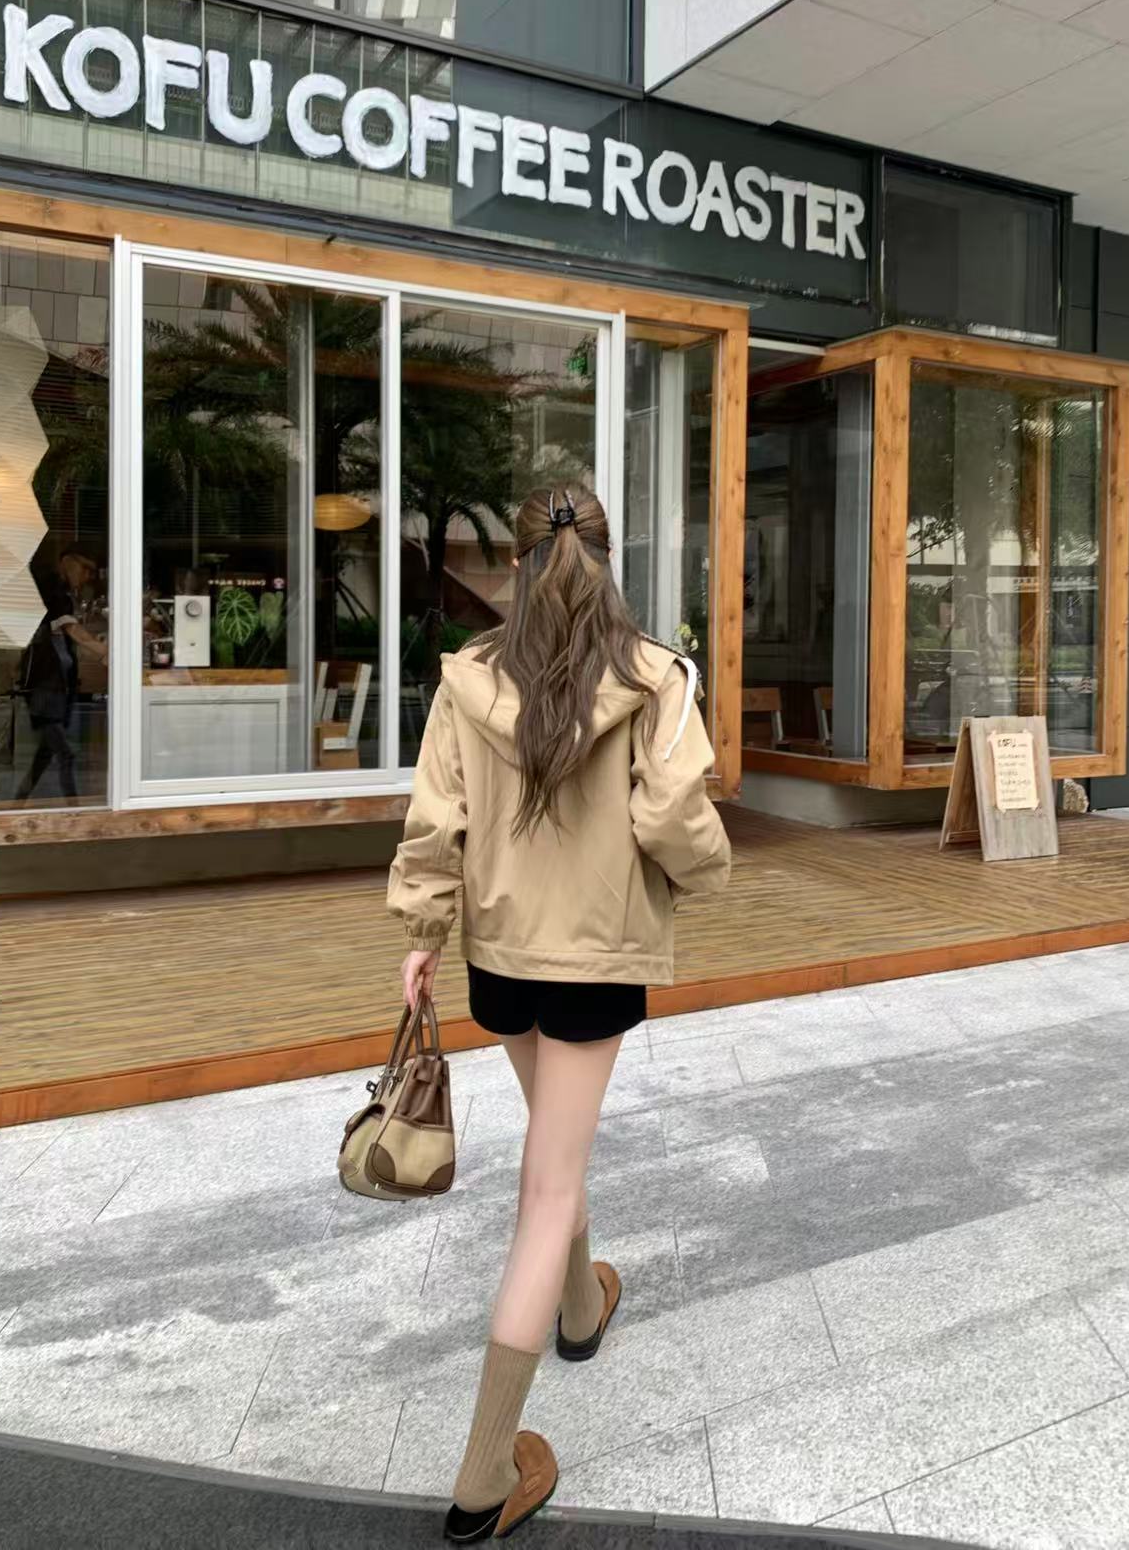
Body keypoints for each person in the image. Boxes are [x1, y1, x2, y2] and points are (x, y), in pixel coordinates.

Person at [387, 487, 731, 1544]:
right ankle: (486, 1470)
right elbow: (671, 817)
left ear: (519, 562)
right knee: (549, 1188)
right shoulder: (656, 676)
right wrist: (711, 872)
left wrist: (423, 931)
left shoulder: (468, 675)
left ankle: (582, 1308)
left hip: (499, 954)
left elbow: (435, 818)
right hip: (594, 956)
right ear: (607, 561)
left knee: (554, 1147)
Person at [15, 546, 108, 803]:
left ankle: (19, 799)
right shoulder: (51, 589)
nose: (87, 576)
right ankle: (73, 806)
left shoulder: (60, 593)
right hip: (45, 688)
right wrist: (107, 652)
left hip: (57, 688)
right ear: (67, 562)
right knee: (65, 754)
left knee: (45, 754)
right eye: (85, 569)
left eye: (91, 572)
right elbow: (74, 631)